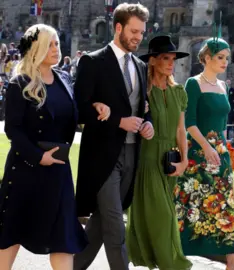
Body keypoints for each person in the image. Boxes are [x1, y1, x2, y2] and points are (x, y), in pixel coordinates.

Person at [0, 24, 108, 270]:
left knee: (63, 238)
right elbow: (12, 130)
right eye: (49, 44)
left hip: (58, 172)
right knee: (11, 232)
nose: (55, 49)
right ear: (35, 48)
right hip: (26, 171)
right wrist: (38, 157)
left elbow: (73, 113)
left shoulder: (65, 79)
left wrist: (96, 108)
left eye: (57, 43)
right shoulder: (20, 84)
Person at [73, 3, 154, 270]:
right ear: (118, 27)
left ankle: (70, 267)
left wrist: (148, 124)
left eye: (141, 32)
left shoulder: (141, 66)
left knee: (101, 223)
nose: (138, 37)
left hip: (132, 154)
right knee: (116, 228)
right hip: (102, 157)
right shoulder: (92, 62)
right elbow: (79, 110)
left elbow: (144, 108)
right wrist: (118, 121)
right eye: (134, 31)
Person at [173, 30, 234, 269]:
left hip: (221, 158)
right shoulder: (194, 83)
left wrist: (226, 149)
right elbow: (189, 122)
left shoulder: (222, 85)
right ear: (207, 58)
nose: (224, 62)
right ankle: (176, 258)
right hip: (199, 159)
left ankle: (232, 258)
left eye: (226, 58)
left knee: (225, 211)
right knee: (191, 211)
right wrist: (206, 147)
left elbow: (222, 124)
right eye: (220, 57)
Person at [126, 35, 192, 270]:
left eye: (173, 59)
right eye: (165, 58)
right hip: (147, 157)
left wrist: (184, 161)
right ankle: (173, 265)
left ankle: (158, 259)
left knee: (165, 215)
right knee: (163, 216)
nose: (170, 63)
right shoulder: (141, 91)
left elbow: (180, 129)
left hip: (170, 161)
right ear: (152, 61)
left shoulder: (179, 92)